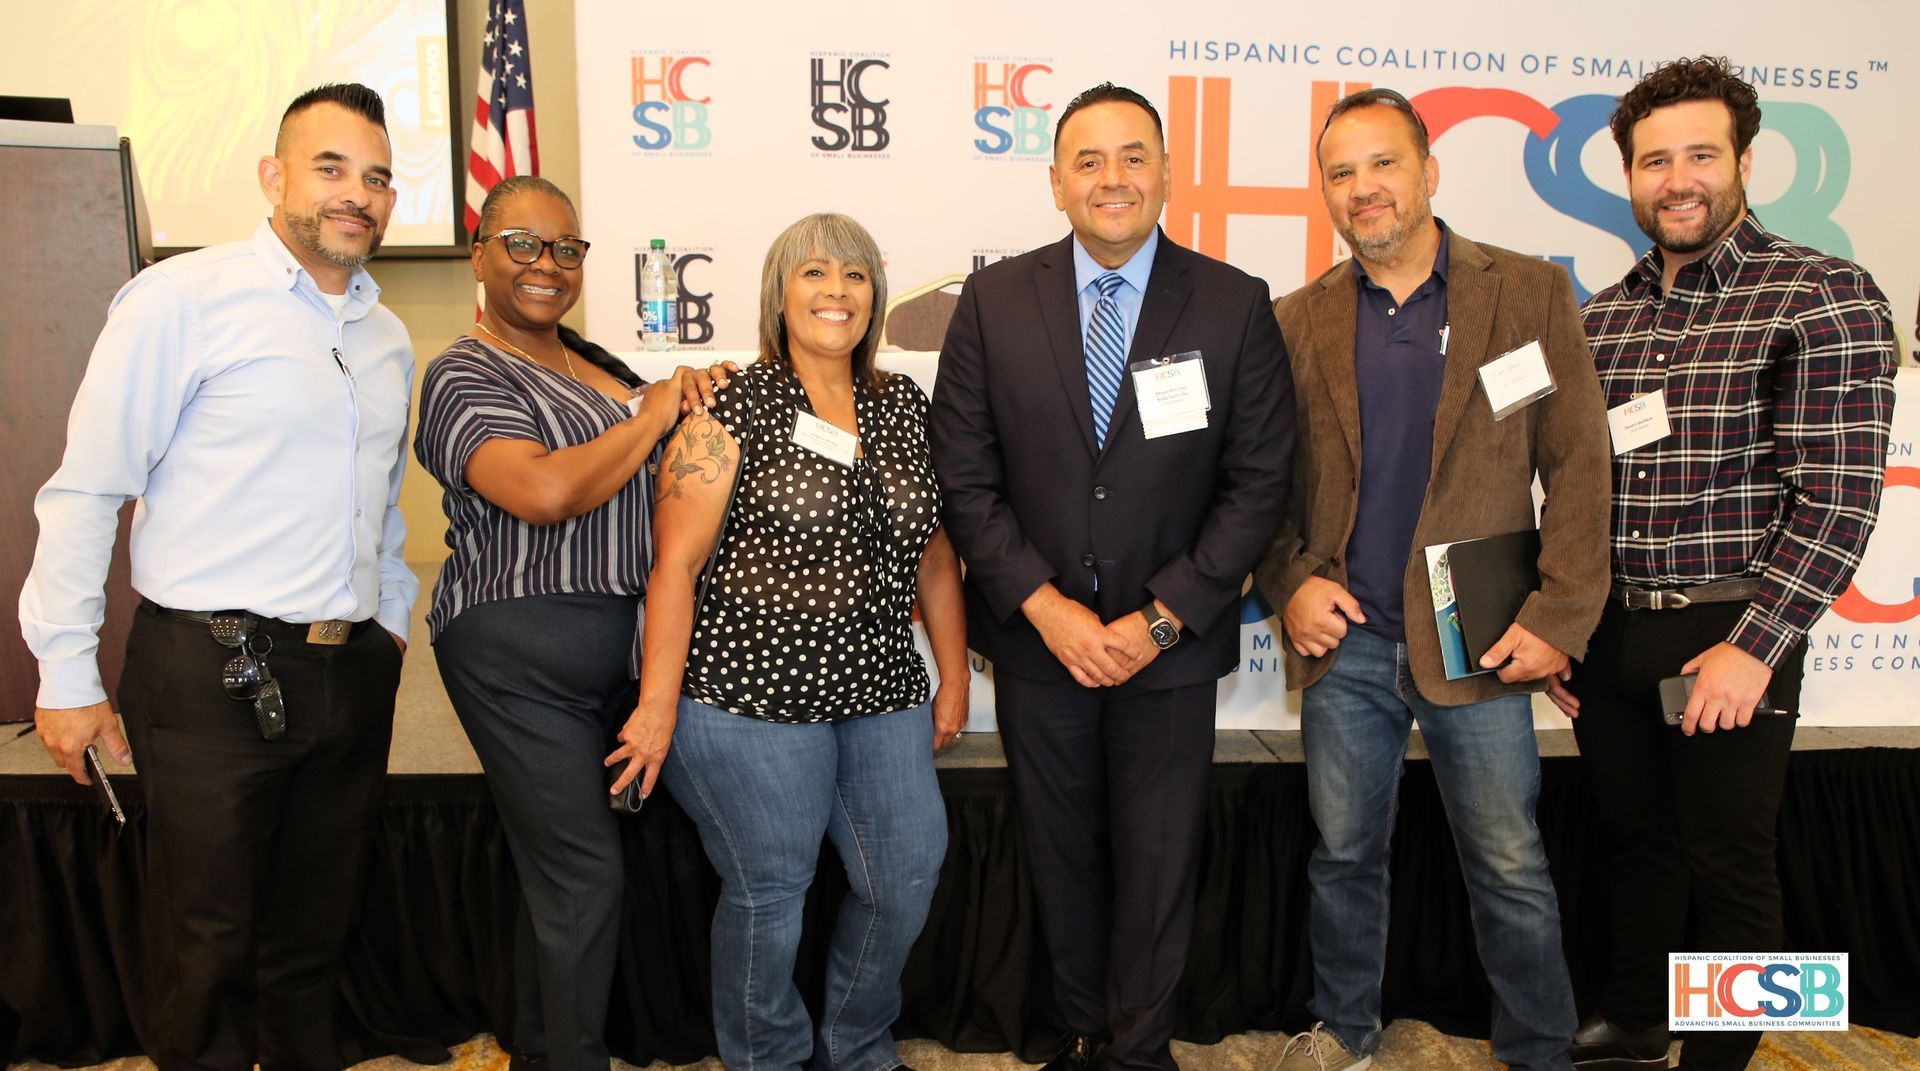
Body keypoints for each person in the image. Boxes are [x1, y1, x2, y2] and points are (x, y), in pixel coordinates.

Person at [18, 83, 416, 1070]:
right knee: (207, 951)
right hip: (207, 673)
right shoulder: (182, 299)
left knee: (311, 942)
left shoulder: (388, 335)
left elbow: (382, 507)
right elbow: (85, 493)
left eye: (376, 178)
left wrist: (390, 627)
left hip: (346, 673)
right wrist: (67, 677)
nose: (354, 195)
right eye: (330, 168)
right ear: (273, 176)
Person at [927, 83, 1294, 1071]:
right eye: (1088, 161)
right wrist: (1045, 610)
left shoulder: (1233, 303)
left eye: (1134, 156)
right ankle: (1084, 1031)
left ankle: (1141, 1050)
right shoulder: (994, 304)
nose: (1112, 179)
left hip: (1166, 656)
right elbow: (964, 476)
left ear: (1168, 174)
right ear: (1055, 183)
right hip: (1040, 648)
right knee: (1061, 850)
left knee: (1159, 860)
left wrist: (1160, 621)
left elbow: (1257, 488)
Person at [1255, 88, 1613, 1071]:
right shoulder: (1297, 319)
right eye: (1341, 172)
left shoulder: (1529, 292)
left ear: (1428, 172)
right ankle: (1347, 1037)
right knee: (1343, 861)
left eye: (1383, 164)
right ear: (1324, 192)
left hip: (1484, 641)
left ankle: (1537, 1049)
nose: (1364, 188)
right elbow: (1261, 484)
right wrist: (1288, 584)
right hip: (1351, 643)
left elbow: (1581, 464)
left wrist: (1560, 616)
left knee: (1508, 865)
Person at [1554, 57, 1897, 1071]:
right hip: (1615, 631)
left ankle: (1719, 1060)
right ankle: (1635, 1016)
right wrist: (1568, 627)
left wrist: (1756, 647)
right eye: (1654, 160)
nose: (1677, 178)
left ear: (1746, 160)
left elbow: (1838, 499)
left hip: (1731, 629)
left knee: (1733, 861)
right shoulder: (1604, 317)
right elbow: (1579, 492)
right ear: (1629, 177)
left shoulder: (1824, 294)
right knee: (1636, 846)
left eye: (1700, 153)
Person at [609, 212, 968, 1071]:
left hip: (880, 692)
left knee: (906, 876)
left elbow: (936, 554)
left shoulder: (903, 403)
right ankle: (766, 1056)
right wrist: (656, 708)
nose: (835, 291)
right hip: (746, 700)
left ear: (875, 295)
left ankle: (853, 1043)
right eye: (812, 273)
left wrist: (951, 673)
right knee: (771, 891)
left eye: (852, 275)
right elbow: (675, 568)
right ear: (778, 294)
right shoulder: (727, 406)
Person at [413, 174, 716, 1071]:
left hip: (623, 648)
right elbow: (544, 490)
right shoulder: (462, 371)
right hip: (519, 646)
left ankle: (547, 1047)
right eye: (522, 244)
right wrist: (655, 409)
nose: (547, 265)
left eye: (566, 248)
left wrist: (680, 398)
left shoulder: (601, 365)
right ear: (479, 254)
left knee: (562, 873)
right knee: (583, 874)